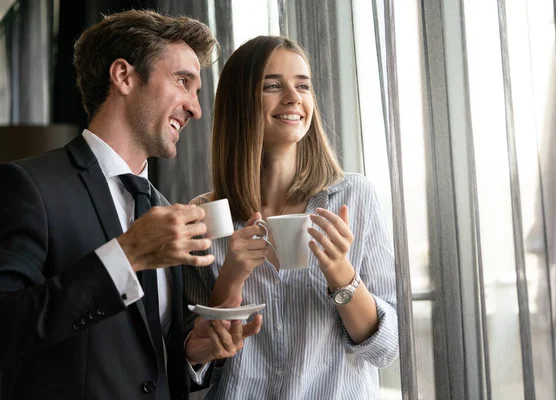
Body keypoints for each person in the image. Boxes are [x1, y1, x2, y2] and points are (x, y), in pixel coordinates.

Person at [0, 9, 260, 400]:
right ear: (124, 76)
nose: (196, 108)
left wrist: (192, 352)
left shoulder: (163, 209)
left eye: (197, 92)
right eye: (183, 81)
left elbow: (146, 358)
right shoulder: (28, 186)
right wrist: (127, 254)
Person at [184, 35, 398, 399]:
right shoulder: (204, 217)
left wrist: (340, 274)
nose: (293, 97)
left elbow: (385, 350)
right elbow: (195, 364)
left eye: (303, 85)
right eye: (272, 86)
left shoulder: (354, 197)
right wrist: (231, 277)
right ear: (240, 102)